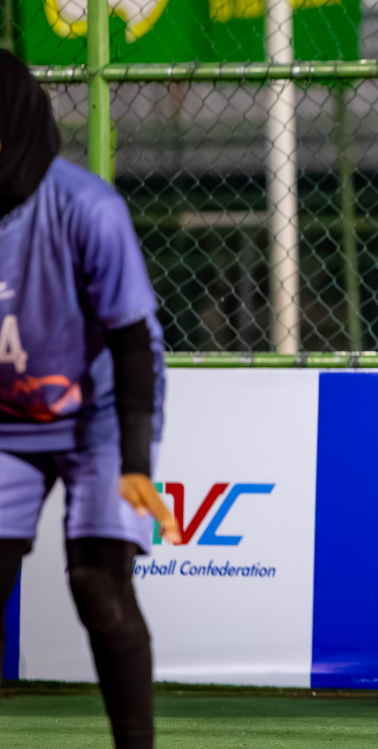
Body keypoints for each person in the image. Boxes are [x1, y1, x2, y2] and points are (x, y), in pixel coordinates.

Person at [0, 52, 179, 749]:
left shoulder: (86, 208)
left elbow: (134, 344)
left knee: (98, 584)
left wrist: (135, 463)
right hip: (8, 420)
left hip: (98, 415)